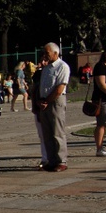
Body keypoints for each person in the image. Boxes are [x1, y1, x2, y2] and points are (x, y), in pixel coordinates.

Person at [37, 43, 70, 172]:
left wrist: (47, 100)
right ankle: (51, 160)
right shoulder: (46, 68)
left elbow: (59, 88)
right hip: (44, 102)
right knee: (47, 133)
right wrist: (41, 100)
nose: (45, 55)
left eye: (47, 53)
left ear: (56, 53)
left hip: (55, 101)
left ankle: (62, 160)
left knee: (57, 132)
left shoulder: (62, 67)